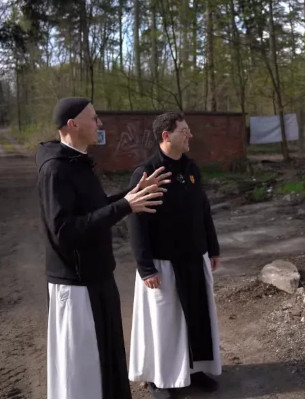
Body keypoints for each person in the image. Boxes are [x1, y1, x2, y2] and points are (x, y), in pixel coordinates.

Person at [37, 97, 171, 399]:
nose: (100, 124)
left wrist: (133, 194)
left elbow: (94, 211)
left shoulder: (79, 163)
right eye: (94, 118)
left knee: (107, 359)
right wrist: (125, 205)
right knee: (83, 368)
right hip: (76, 286)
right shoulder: (55, 171)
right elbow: (64, 232)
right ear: (73, 125)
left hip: (98, 278)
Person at [127, 112, 221, 399]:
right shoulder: (148, 171)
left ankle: (192, 371)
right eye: (184, 130)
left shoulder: (191, 168)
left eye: (188, 129)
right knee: (165, 324)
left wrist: (213, 247)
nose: (189, 135)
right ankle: (160, 379)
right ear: (166, 136)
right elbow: (136, 223)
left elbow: (203, 211)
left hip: (194, 258)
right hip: (162, 264)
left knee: (196, 318)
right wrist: (145, 268)